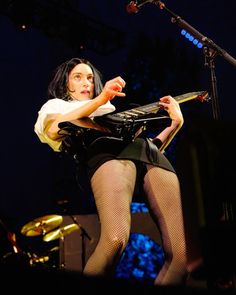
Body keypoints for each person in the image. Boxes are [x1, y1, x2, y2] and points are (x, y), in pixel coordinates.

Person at [34, 57, 188, 286]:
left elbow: (148, 145)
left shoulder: (111, 110)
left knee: (180, 258)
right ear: (67, 85)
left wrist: (175, 124)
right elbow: (57, 127)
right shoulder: (57, 106)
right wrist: (101, 98)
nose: (87, 82)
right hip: (107, 156)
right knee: (115, 240)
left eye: (89, 78)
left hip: (151, 155)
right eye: (78, 77)